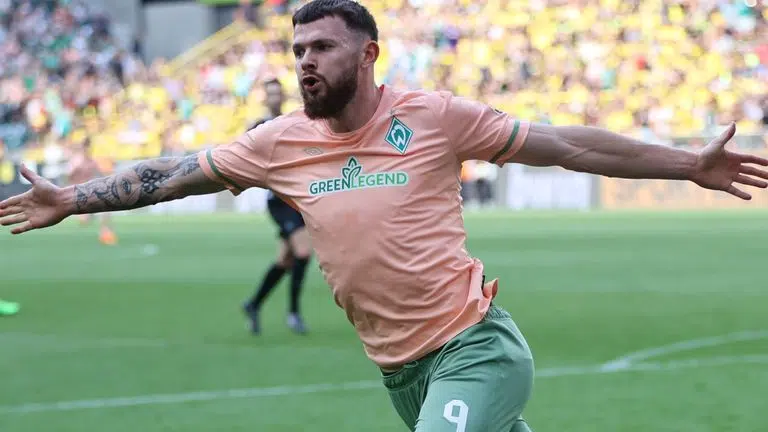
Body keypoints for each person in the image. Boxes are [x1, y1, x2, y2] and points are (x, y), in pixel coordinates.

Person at [2, 1, 768, 430]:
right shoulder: (278, 142)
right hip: (399, 373)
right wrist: (74, 198)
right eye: (297, 48)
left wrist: (687, 162)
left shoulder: (434, 117)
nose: (304, 61)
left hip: (475, 349)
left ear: (368, 56)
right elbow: (174, 172)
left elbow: (564, 144)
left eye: (323, 48)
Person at [243, 78, 313, 335]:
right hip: (280, 202)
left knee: (285, 260)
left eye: (277, 93)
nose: (275, 98)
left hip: (297, 200)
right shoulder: (259, 127)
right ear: (265, 98)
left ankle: (253, 304)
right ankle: (294, 313)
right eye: (270, 94)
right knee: (303, 253)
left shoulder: (292, 122)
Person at [66, 137, 118, 245]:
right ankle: (87, 222)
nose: (87, 149)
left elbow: (99, 173)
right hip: (78, 192)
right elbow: (70, 176)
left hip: (90, 190)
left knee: (106, 208)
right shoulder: (76, 161)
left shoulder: (91, 161)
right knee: (85, 220)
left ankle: (106, 233)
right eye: (85, 147)